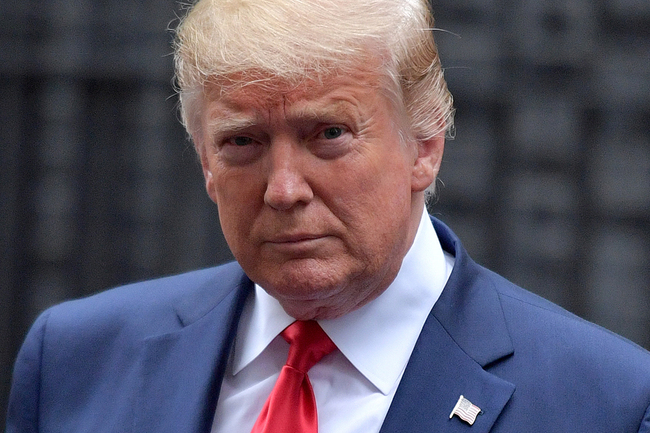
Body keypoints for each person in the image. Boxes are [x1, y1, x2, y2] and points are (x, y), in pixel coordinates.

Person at [6, 0, 650, 431]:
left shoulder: (604, 403)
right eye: (242, 142)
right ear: (204, 161)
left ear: (425, 143)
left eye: (330, 134)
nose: (284, 189)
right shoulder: (75, 361)